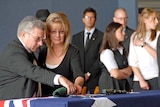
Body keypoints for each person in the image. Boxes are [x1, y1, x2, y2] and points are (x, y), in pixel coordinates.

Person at [0, 16, 81, 100]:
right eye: (37, 39)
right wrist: (60, 79)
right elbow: (32, 71)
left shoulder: (29, 51)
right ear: (23, 34)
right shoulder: (14, 53)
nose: (41, 44)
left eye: (42, 39)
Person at [38, 12, 84, 96]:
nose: (58, 35)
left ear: (66, 33)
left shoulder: (72, 51)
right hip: (44, 100)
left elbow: (79, 75)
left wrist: (76, 85)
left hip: (65, 99)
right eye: (53, 32)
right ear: (48, 33)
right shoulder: (42, 52)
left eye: (61, 32)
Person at [72, 7, 103, 94]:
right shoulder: (76, 38)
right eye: (87, 17)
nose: (89, 19)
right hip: (79, 78)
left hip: (95, 78)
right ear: (83, 19)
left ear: (95, 19)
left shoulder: (102, 36)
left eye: (92, 17)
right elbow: (74, 57)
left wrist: (89, 73)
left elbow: (100, 58)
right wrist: (80, 74)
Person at [128, 8, 160, 92]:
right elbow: (133, 61)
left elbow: (158, 56)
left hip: (156, 77)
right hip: (139, 80)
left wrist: (144, 44)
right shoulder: (135, 36)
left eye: (157, 19)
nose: (156, 21)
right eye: (153, 19)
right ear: (145, 20)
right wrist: (141, 80)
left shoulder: (158, 35)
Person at [98, 22, 132, 93]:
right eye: (121, 31)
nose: (124, 33)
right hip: (110, 86)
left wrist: (119, 72)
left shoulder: (122, 49)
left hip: (122, 85)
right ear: (113, 33)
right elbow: (116, 74)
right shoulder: (107, 52)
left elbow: (130, 70)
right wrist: (119, 73)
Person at [113, 8, 134, 89]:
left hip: (130, 74)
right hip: (113, 79)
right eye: (121, 18)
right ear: (114, 19)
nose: (124, 21)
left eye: (126, 18)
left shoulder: (133, 34)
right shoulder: (109, 34)